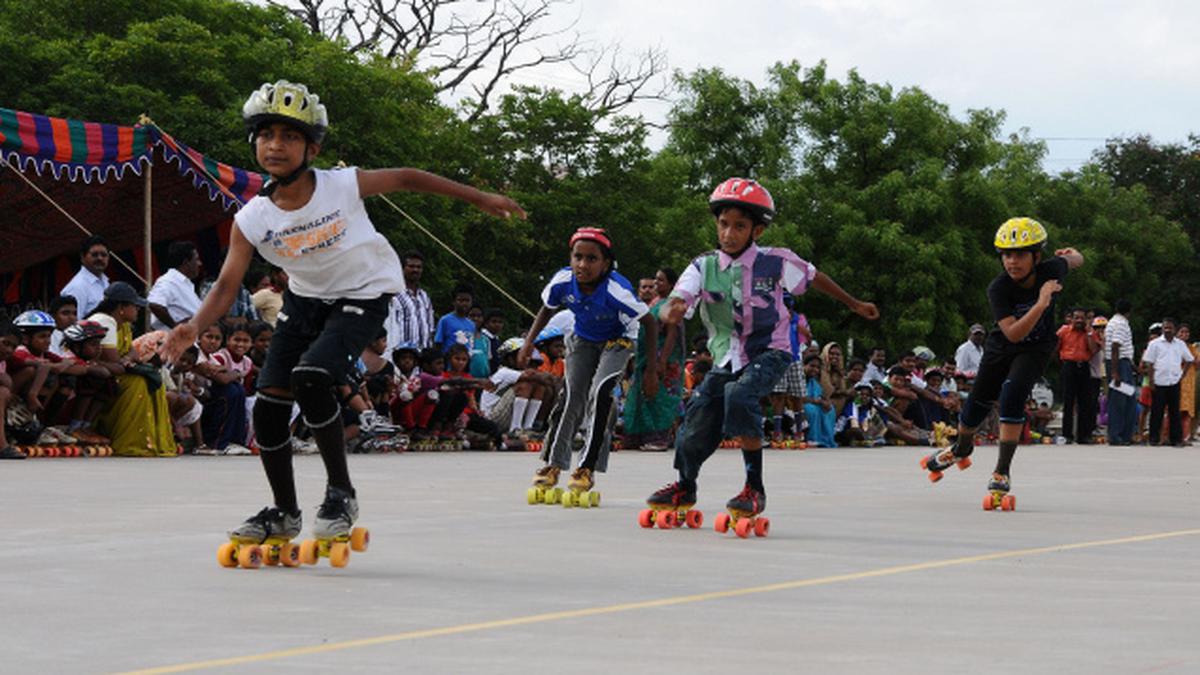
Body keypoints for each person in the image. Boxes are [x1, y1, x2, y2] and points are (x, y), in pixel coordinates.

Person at [161, 79, 525, 548]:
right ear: (255, 143)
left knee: (313, 376)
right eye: (267, 135)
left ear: (311, 147)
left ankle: (340, 493)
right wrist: (193, 326)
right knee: (270, 406)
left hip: (365, 293)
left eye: (290, 137)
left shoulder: (341, 185)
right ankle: (284, 512)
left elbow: (409, 176)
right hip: (306, 301)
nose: (276, 145)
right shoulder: (252, 218)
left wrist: (479, 197)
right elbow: (229, 283)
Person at [645, 178, 878, 519]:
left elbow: (814, 277)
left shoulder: (777, 261)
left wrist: (854, 304)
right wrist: (670, 309)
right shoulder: (703, 266)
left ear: (757, 231)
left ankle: (754, 488)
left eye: (739, 226)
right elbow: (680, 298)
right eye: (723, 224)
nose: (729, 234)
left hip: (772, 349)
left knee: (740, 396)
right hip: (727, 353)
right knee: (699, 414)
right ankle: (685, 485)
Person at [921, 217, 1084, 507]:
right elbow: (1013, 333)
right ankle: (961, 447)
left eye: (1020, 254)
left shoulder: (1051, 269)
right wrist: (1041, 303)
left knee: (1012, 395)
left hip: (1036, 349)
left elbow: (1076, 260)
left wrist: (1069, 254)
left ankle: (1001, 471)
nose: (1012, 262)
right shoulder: (998, 288)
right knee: (977, 401)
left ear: (1036, 256)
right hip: (1003, 344)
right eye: (1006, 255)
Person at [519, 227, 658, 500]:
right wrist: (528, 343)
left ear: (605, 263)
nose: (583, 264)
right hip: (582, 338)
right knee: (571, 396)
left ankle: (586, 467)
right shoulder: (562, 282)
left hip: (618, 340)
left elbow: (650, 322)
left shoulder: (616, 289)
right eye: (577, 257)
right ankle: (553, 463)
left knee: (601, 394)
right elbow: (547, 308)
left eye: (592, 259)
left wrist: (650, 369)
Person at [90, 282, 177, 457]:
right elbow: (114, 360)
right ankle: (131, 440)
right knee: (138, 382)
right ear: (121, 307)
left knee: (154, 380)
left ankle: (148, 440)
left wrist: (126, 360)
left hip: (115, 370)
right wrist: (126, 360)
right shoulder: (105, 321)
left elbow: (132, 355)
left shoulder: (123, 325)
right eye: (135, 306)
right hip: (99, 372)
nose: (138, 310)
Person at [624, 267, 684, 451]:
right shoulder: (652, 304)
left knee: (659, 397)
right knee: (642, 396)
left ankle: (659, 438)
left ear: (672, 285)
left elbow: (671, 334)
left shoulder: (672, 304)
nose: (656, 284)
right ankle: (638, 437)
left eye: (660, 281)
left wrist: (662, 361)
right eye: (655, 280)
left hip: (662, 359)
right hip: (645, 357)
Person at [1141, 317, 1194, 447]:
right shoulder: (1155, 344)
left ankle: (1175, 439)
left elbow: (1189, 359)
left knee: (1174, 412)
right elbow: (1150, 363)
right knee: (1156, 411)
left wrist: (1182, 375)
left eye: (1170, 328)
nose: (1167, 330)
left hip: (1174, 381)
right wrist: (1152, 380)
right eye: (1165, 327)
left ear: (1174, 329)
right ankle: (1154, 438)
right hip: (1159, 381)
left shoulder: (1180, 344)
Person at [1056, 308, 1099, 443]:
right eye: (1076, 318)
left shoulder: (1090, 333)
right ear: (1072, 319)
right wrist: (1062, 363)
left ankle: (1083, 436)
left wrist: (1088, 333)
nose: (1079, 321)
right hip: (1069, 365)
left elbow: (1093, 350)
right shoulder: (1064, 331)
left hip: (1084, 366)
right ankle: (1067, 435)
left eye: (1082, 318)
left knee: (1085, 402)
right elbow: (1055, 348)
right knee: (1068, 402)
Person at [384, 251, 436, 357]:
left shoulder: (424, 297)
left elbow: (430, 328)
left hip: (423, 357)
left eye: (419, 267)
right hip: (400, 356)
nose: (415, 270)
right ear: (402, 268)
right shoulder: (393, 294)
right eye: (411, 266)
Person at [147, 241, 204, 331]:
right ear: (186, 262)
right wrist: (175, 327)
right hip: (174, 340)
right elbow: (155, 304)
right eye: (196, 259)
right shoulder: (168, 280)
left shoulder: (185, 283)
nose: (200, 264)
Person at [1104, 299, 1136, 445]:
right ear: (1129, 312)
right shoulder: (1121, 324)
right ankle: (1117, 436)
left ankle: (1124, 435)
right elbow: (1115, 346)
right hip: (1119, 365)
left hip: (1123, 364)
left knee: (1128, 399)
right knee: (1119, 401)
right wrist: (1116, 372)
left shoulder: (1112, 322)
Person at [60, 235, 110, 319]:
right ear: (83, 257)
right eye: (95, 255)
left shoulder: (105, 282)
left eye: (104, 255)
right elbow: (73, 324)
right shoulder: (77, 287)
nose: (100, 258)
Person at [0, 320, 26, 459]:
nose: (9, 350)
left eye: (13, 347)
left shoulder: (3, 361)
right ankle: (1, 446)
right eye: (5, 343)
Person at [434, 283, 476, 354]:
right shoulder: (445, 320)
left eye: (467, 300)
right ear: (454, 302)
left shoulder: (471, 324)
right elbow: (438, 343)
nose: (464, 303)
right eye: (461, 300)